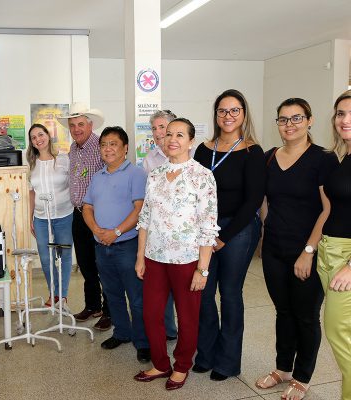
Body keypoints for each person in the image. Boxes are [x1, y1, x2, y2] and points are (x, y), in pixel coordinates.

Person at [255, 98, 338, 399]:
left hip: (307, 251)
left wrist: (308, 250)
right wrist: (265, 234)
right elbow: (266, 201)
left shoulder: (323, 159)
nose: (289, 125)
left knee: (306, 315)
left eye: (296, 118)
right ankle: (283, 368)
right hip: (274, 249)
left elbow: (328, 209)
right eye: (283, 119)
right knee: (283, 311)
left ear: (310, 120)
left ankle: (302, 376)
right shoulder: (269, 157)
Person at [133, 118, 218, 390]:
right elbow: (145, 218)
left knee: (188, 317)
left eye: (180, 135)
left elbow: (208, 225)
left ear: (191, 141)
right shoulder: (155, 175)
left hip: (187, 260)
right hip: (155, 257)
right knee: (151, 314)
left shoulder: (202, 176)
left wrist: (203, 269)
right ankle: (160, 363)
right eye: (169, 134)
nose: (172, 139)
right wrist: (140, 256)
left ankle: (182, 366)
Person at [193, 89, 266, 381]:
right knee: (203, 292)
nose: (228, 116)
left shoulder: (252, 152)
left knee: (230, 293)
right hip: (204, 230)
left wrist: (223, 236)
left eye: (235, 110)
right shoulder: (203, 149)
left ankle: (228, 361)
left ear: (244, 114)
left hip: (239, 229)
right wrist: (203, 232)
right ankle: (206, 354)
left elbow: (253, 200)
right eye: (223, 110)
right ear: (216, 115)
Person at [81, 126, 150, 363]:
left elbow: (140, 209)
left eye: (113, 144)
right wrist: (96, 230)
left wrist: (117, 232)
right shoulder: (97, 176)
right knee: (112, 295)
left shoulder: (136, 174)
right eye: (103, 145)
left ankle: (143, 342)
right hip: (102, 246)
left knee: (137, 298)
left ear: (125, 148)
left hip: (127, 246)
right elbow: (87, 207)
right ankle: (122, 333)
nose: (108, 149)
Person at [57, 103, 111, 331]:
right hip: (78, 214)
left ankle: (109, 312)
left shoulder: (100, 146)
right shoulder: (73, 148)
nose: (76, 129)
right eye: (72, 125)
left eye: (80, 124)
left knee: (104, 265)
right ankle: (93, 305)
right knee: (86, 264)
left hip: (99, 214)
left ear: (90, 125)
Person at [318, 89, 351, 400]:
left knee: (338, 330)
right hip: (330, 251)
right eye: (341, 113)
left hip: (347, 259)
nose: (345, 119)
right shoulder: (343, 158)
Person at [141, 109, 179, 341]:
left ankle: (193, 336)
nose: (157, 133)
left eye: (162, 127)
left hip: (183, 235)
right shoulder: (150, 160)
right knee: (162, 288)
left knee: (185, 291)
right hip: (158, 234)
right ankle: (168, 331)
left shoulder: (191, 154)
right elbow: (148, 201)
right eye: (154, 128)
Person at [27, 123, 73, 305]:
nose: (38, 139)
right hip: (41, 218)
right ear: (32, 143)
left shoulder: (63, 159)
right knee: (46, 258)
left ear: (48, 135)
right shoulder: (31, 165)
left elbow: (74, 184)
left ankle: (62, 295)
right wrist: (30, 217)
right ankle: (53, 292)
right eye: (34, 138)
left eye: (41, 134)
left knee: (64, 255)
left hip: (64, 215)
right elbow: (31, 193)